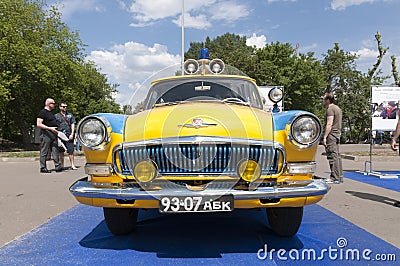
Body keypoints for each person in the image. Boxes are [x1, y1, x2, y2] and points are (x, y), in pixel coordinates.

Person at [322, 92, 343, 183]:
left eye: (324, 99)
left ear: (328, 100)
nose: (323, 101)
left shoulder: (330, 109)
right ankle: (339, 176)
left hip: (332, 134)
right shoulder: (337, 108)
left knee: (332, 156)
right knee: (337, 156)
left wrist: (325, 137)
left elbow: (329, 123)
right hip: (337, 133)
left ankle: (334, 177)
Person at [36, 98, 62, 173]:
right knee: (44, 151)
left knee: (55, 150)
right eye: (53, 103)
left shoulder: (51, 113)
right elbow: (39, 124)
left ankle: (57, 166)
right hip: (46, 134)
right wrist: (50, 128)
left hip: (54, 133)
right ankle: (43, 167)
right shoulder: (43, 112)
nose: (54, 105)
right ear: (48, 104)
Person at [55, 102, 77, 170]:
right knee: (61, 151)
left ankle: (72, 165)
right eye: (63, 106)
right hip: (60, 135)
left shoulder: (70, 115)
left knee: (71, 151)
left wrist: (72, 133)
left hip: (68, 134)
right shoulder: (56, 116)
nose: (65, 108)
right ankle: (62, 165)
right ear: (60, 107)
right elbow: (55, 125)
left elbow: (73, 124)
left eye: (66, 106)